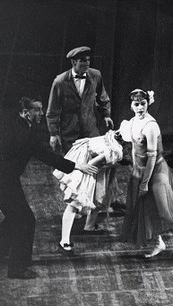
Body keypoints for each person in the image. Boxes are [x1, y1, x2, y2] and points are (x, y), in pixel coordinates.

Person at [0, 97, 98, 279]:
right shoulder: (27, 136)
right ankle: (17, 268)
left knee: (15, 216)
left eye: (41, 109)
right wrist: (78, 166)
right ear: (25, 112)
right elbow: (48, 157)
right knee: (25, 220)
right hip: (2, 181)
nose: (41, 113)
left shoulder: (9, 121)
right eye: (36, 110)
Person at [119, 89, 173, 264]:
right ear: (131, 105)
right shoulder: (132, 122)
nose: (140, 107)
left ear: (148, 103)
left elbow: (152, 156)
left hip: (156, 171)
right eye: (136, 104)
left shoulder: (151, 126)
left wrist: (145, 183)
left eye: (143, 103)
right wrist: (136, 173)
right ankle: (158, 242)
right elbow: (134, 149)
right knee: (145, 209)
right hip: (140, 171)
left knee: (165, 211)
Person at [46, 45, 118, 233]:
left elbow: (103, 96)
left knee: (93, 169)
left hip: (90, 129)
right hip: (69, 132)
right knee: (73, 170)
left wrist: (106, 114)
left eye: (88, 60)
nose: (87, 64)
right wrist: (54, 134)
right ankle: (74, 205)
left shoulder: (95, 75)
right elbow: (52, 111)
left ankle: (88, 208)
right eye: (83, 61)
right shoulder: (60, 81)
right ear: (73, 62)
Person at [53, 130, 123, 254]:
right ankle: (64, 241)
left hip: (90, 160)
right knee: (75, 202)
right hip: (85, 166)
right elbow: (91, 165)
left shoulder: (113, 138)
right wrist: (110, 165)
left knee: (100, 193)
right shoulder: (114, 150)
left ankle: (89, 226)